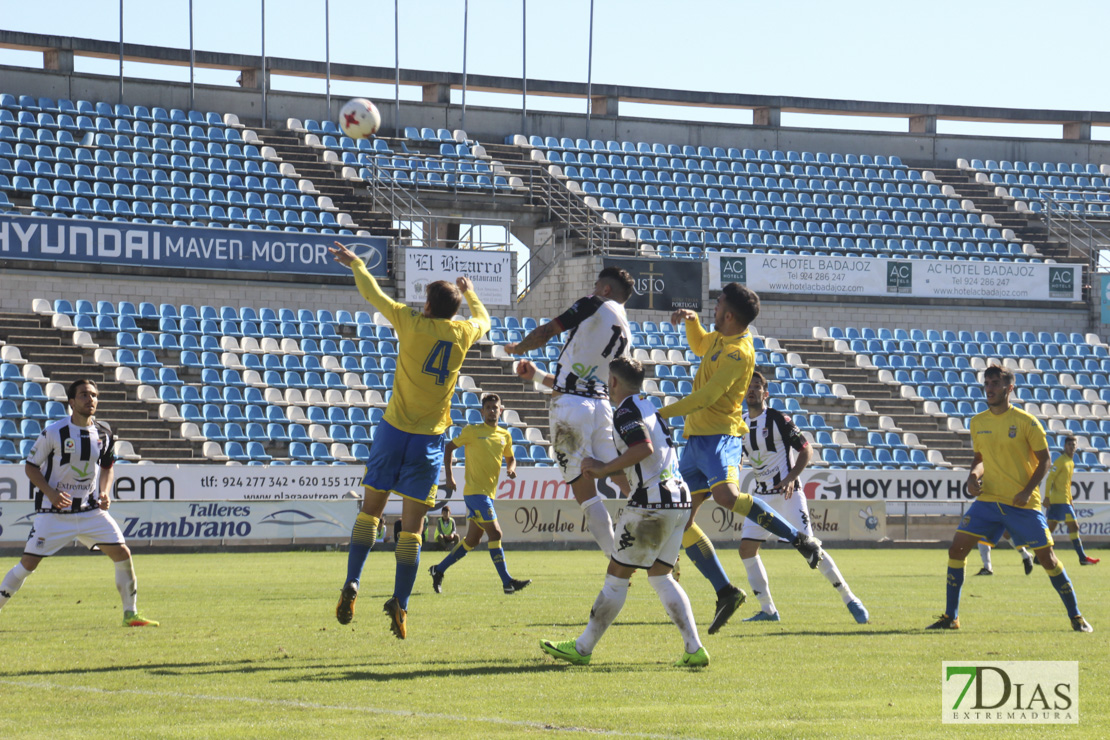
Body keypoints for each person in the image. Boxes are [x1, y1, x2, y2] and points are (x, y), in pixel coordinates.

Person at [329, 241, 490, 640]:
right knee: (413, 528)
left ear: (428, 306)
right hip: (429, 440)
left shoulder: (410, 323)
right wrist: (469, 291)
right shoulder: (463, 332)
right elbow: (485, 319)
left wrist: (356, 264)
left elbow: (373, 294)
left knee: (370, 513)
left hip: (393, 431)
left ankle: (353, 580)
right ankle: (400, 603)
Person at [657, 286, 824, 635]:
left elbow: (707, 396)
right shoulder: (720, 337)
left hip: (722, 437)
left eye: (716, 305)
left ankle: (800, 540)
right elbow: (700, 345)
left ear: (729, 314)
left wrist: (661, 413)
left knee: (726, 497)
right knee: (679, 518)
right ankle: (726, 592)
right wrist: (693, 323)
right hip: (695, 440)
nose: (713, 308)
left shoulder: (738, 353)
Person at [541, 358, 708, 667]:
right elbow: (647, 453)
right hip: (678, 500)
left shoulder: (626, 411)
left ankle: (581, 648)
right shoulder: (650, 408)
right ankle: (694, 648)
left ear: (613, 382)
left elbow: (642, 448)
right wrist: (608, 470)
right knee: (661, 576)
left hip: (652, 504)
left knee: (617, 576)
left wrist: (603, 468)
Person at [927, 365, 1093, 632]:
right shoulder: (978, 422)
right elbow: (980, 459)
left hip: (1022, 504)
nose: (989, 388)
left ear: (1009, 388)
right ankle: (951, 618)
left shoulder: (1027, 422)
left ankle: (1076, 617)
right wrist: (972, 475)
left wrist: (1027, 491)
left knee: (1048, 559)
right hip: (988, 500)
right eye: (987, 383)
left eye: (995, 383)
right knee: (956, 549)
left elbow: (1045, 460)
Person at [0, 379, 157, 627]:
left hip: (89, 512)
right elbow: (31, 468)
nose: (90, 399)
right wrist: (51, 493)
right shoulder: (54, 432)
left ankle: (130, 613)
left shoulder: (105, 432)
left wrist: (105, 492)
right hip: (53, 513)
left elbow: (107, 467)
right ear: (71, 402)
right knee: (27, 565)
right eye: (84, 395)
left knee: (122, 553)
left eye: (94, 395)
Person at [506, 267, 634, 558]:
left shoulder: (594, 303)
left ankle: (617, 562)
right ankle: (659, 533)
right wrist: (538, 376)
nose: (592, 288)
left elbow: (546, 331)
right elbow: (588, 383)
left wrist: (518, 347)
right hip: (601, 407)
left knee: (585, 493)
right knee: (623, 479)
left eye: (596, 284)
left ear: (605, 290)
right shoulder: (626, 328)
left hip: (570, 409)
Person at [738, 371, 869, 624]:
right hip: (761, 498)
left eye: (757, 386)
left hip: (788, 496)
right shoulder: (740, 423)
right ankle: (768, 610)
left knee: (811, 549)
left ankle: (850, 598)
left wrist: (790, 477)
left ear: (766, 393)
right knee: (746, 549)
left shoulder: (778, 419)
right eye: (748, 387)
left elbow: (806, 450)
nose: (751, 390)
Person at [429, 394, 531, 594]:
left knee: (472, 540)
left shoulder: (505, 435)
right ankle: (507, 582)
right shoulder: (472, 431)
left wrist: (511, 468)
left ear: (501, 410)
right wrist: (449, 477)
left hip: (488, 494)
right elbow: (448, 449)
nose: (493, 410)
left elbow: (511, 458)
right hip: (475, 493)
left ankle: (438, 570)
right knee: (496, 533)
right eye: (489, 407)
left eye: (496, 407)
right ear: (482, 412)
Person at [1043, 435, 1099, 566]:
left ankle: (1038, 557)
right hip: (1059, 501)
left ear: (1076, 447)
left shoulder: (1070, 462)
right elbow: (1050, 478)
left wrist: (1071, 500)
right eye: (1069, 445)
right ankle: (1082, 557)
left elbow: (1067, 484)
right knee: (1074, 526)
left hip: (1063, 501)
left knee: (1049, 529)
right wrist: (1046, 497)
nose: (1071, 447)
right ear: (1064, 446)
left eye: (1074, 445)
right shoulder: (1061, 461)